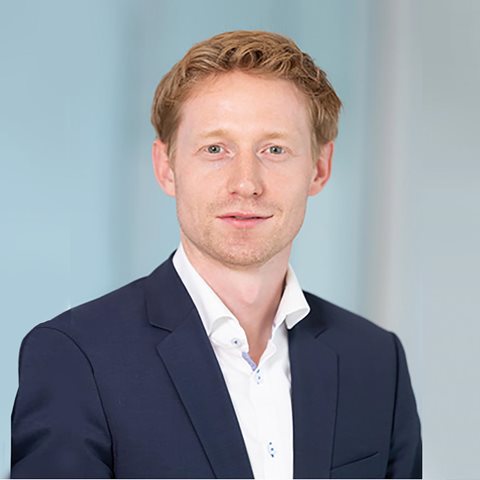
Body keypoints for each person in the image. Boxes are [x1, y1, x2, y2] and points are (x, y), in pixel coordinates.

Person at [10, 30, 421, 479]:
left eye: (274, 149)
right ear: (166, 168)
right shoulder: (77, 357)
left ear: (319, 168)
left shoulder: (376, 361)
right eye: (215, 149)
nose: (246, 183)